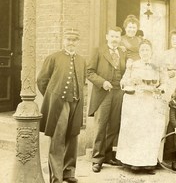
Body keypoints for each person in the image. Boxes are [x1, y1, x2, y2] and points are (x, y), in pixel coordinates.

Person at [37, 28, 86, 183]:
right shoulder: (53, 58)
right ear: (63, 40)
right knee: (57, 139)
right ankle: (56, 177)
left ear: (78, 42)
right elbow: (41, 81)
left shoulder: (81, 60)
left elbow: (82, 81)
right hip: (59, 104)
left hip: (76, 103)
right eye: (68, 39)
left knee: (73, 137)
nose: (71, 43)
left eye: (74, 40)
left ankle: (69, 173)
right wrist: (52, 97)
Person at [116, 39, 167, 175]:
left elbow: (164, 82)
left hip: (151, 103)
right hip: (136, 102)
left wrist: (160, 90)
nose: (145, 52)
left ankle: (149, 164)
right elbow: (123, 81)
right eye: (142, 50)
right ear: (139, 52)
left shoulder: (157, 66)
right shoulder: (133, 65)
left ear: (151, 51)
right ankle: (134, 163)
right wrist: (130, 84)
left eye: (147, 50)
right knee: (136, 132)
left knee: (149, 132)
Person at [87, 26, 126, 173]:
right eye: (112, 36)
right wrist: (102, 82)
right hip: (103, 93)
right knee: (100, 126)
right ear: (107, 37)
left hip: (118, 93)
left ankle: (109, 155)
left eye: (117, 36)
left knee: (114, 126)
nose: (115, 39)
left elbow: (125, 71)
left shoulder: (122, 52)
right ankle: (97, 159)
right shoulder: (98, 51)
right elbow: (89, 72)